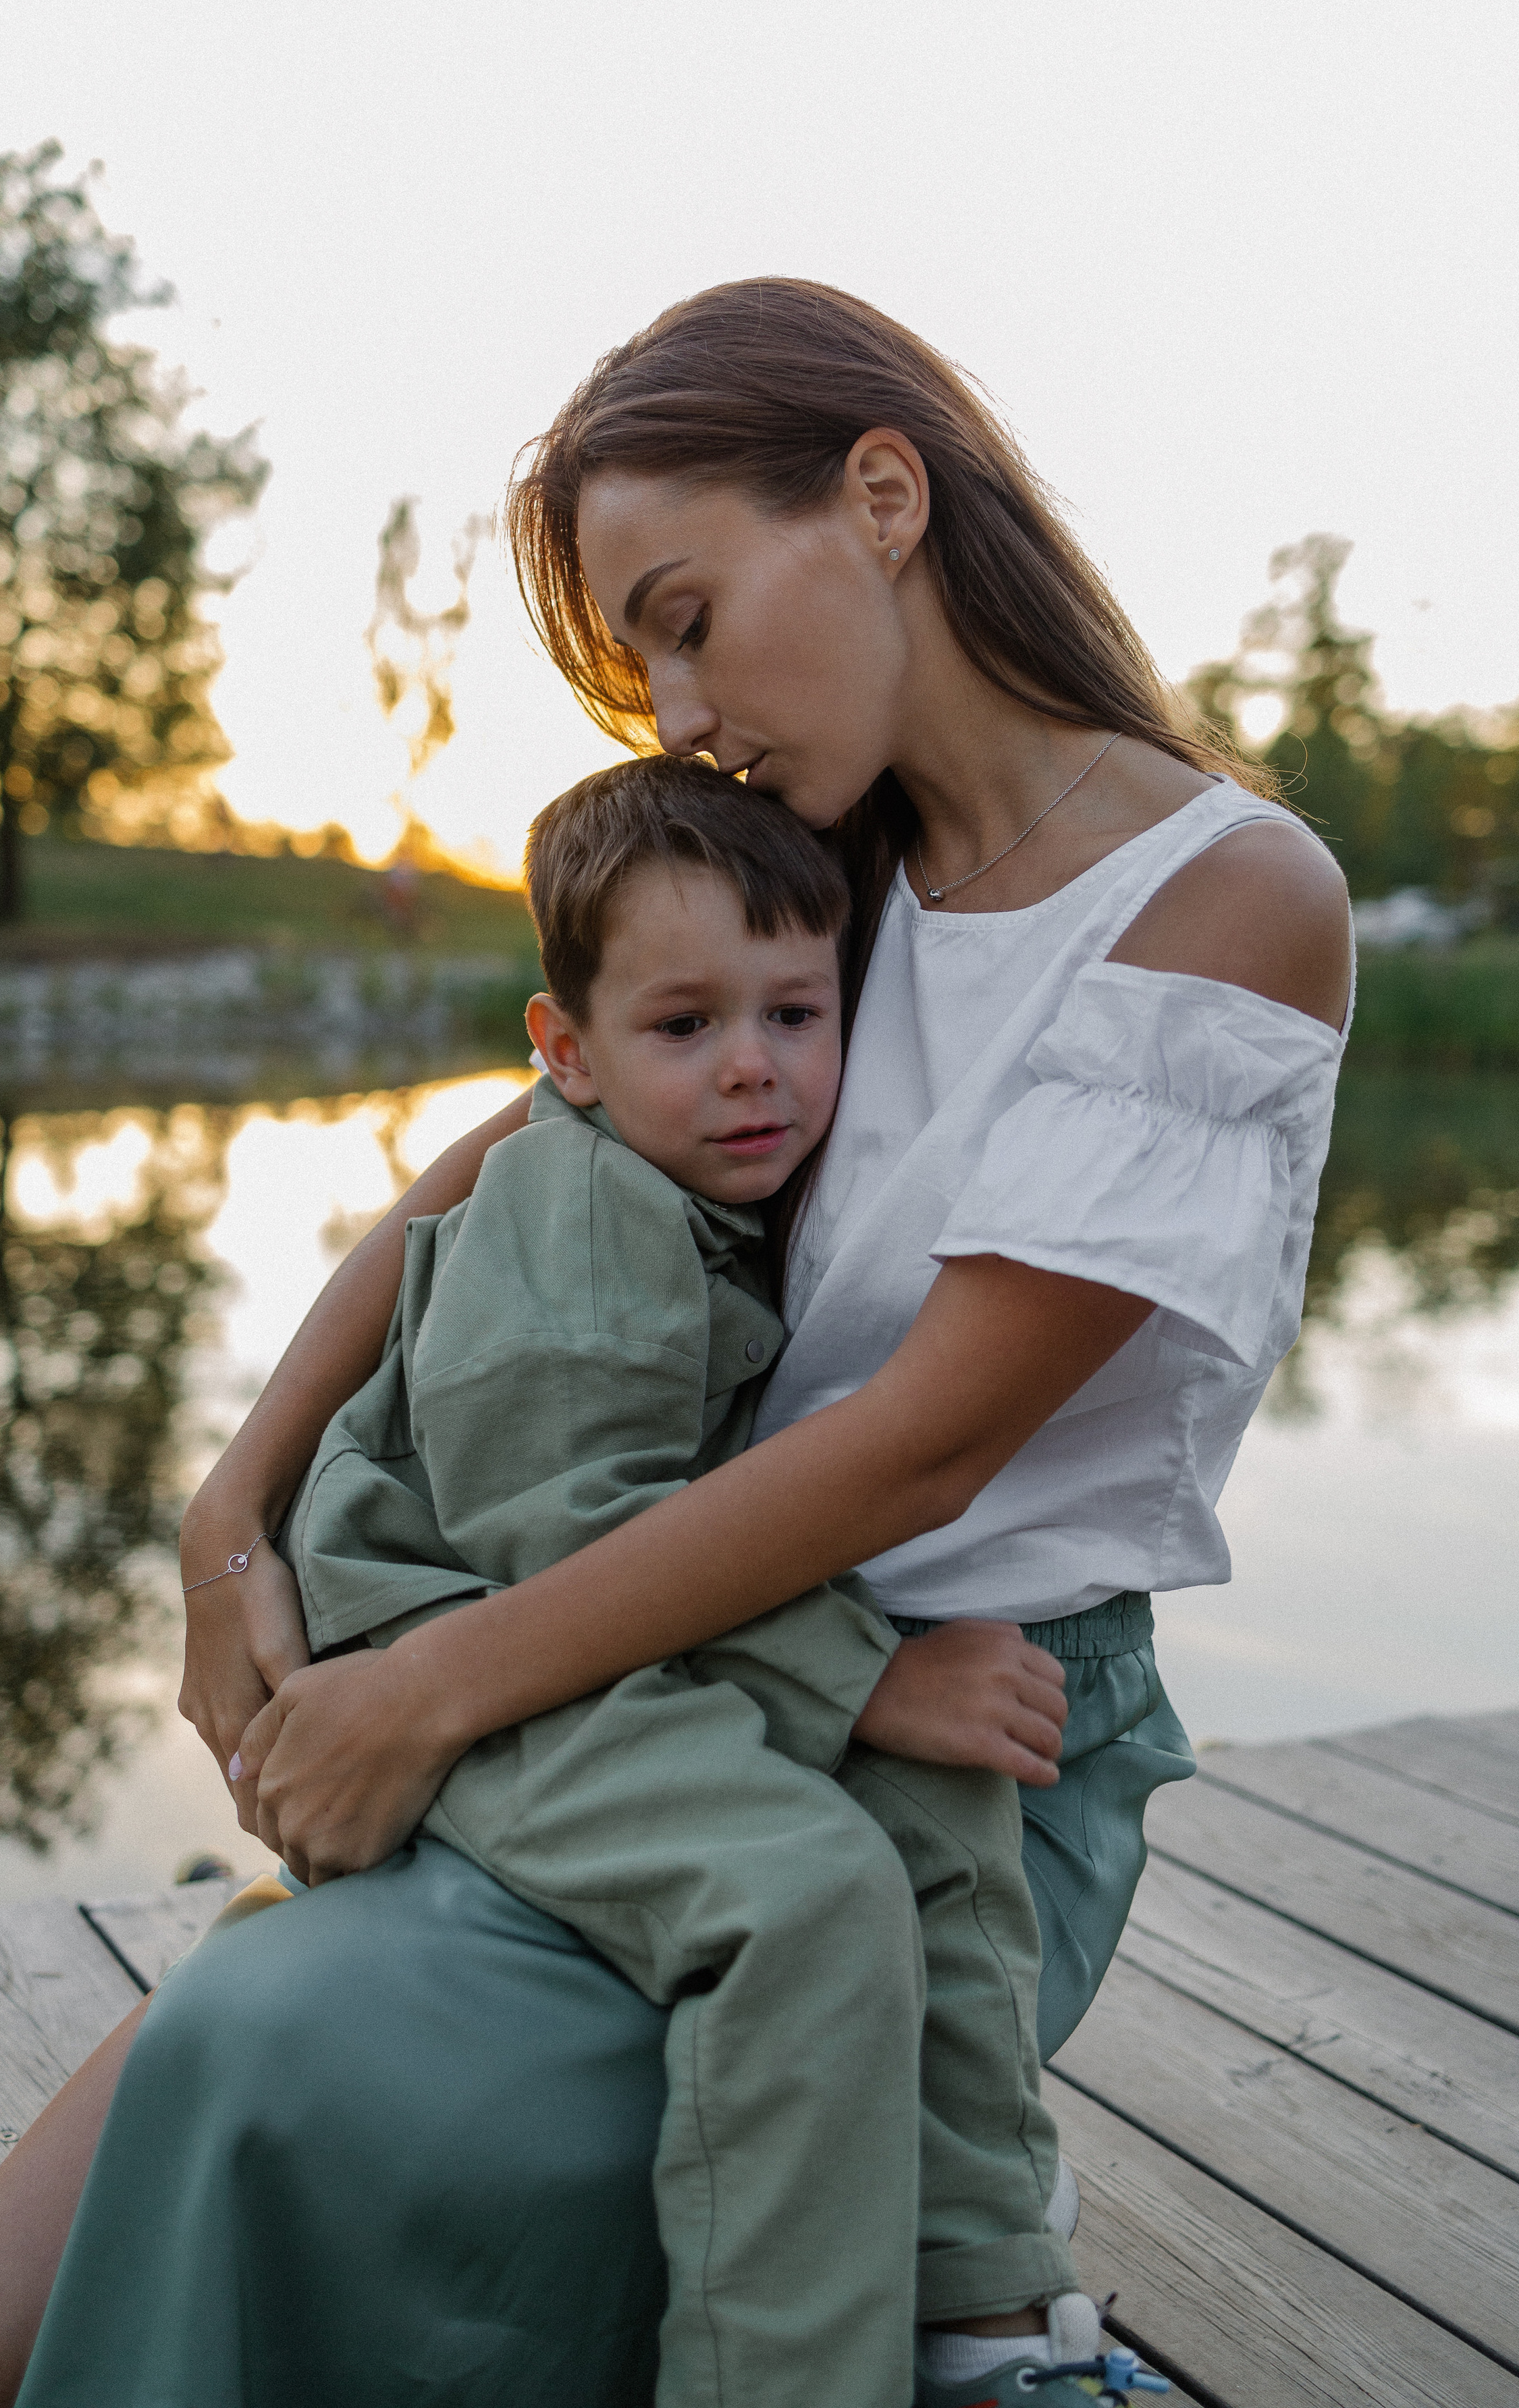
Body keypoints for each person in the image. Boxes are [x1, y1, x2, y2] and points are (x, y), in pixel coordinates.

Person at [0, 278, 1350, 2408]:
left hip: (934, 1762)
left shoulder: (1223, 899)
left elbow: (920, 1451)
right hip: (621, 1681)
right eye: (642, 664)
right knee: (5, 2305)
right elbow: (485, 1168)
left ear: (883, 497)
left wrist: (425, 1689)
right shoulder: (820, 878)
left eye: (687, 621)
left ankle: (965, 2325)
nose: (676, 712)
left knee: (257, 2112)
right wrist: (231, 1513)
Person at [284, 750, 1088, 2401]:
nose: (750, 1068)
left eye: (794, 1014)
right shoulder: (576, 1211)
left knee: (936, 1813)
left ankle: (982, 2306)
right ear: (564, 1053)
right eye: (683, 1025)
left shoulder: (695, 1182)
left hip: (582, 1631)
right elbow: (562, 1531)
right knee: (803, 1894)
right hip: (451, 1637)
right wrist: (866, 1675)